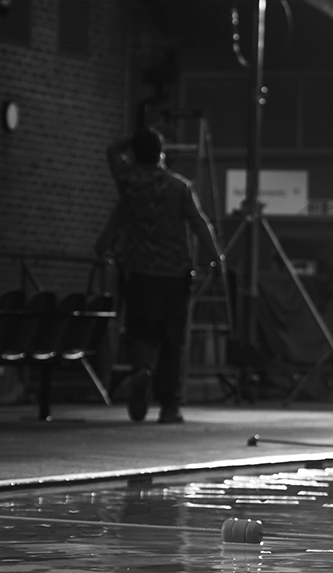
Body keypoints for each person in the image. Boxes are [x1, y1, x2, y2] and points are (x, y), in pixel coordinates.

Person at [96, 127, 225, 424]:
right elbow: (199, 223)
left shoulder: (128, 181)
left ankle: (142, 369)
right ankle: (169, 405)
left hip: (139, 271)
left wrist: (136, 138)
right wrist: (216, 258)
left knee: (140, 330)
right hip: (174, 274)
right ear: (161, 154)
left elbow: (111, 151)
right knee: (172, 339)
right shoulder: (178, 187)